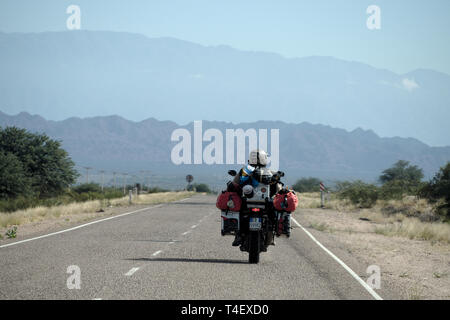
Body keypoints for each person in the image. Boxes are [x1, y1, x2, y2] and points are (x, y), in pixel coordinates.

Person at [230, 149, 283, 246]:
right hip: (266, 203)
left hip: (246, 202)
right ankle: (271, 237)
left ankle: (238, 236)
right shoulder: (270, 172)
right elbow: (279, 188)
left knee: (239, 213)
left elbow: (234, 184)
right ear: (264, 159)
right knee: (272, 217)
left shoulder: (244, 171)